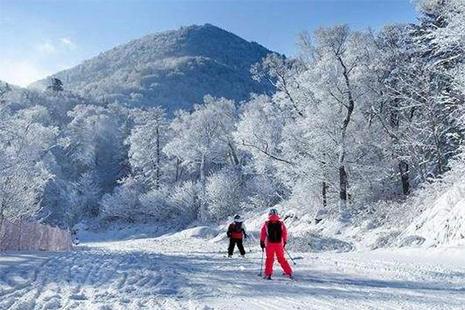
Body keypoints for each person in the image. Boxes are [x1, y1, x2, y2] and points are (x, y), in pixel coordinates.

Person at [260, 208, 293, 279]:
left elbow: (263, 234)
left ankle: (268, 274)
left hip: (269, 244)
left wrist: (262, 242)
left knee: (269, 259)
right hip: (279, 244)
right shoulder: (281, 223)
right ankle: (288, 272)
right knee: (281, 258)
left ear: (269, 214)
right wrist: (284, 241)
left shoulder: (266, 223)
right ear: (277, 214)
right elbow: (284, 233)